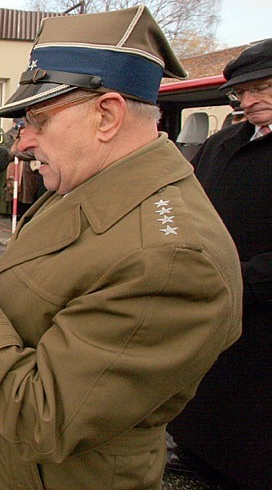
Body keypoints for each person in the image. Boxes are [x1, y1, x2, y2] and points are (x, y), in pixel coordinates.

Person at [0, 5, 242, 489]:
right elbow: (79, 279)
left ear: (106, 115)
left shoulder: (174, 262)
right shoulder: (88, 183)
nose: (22, 143)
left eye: (38, 120)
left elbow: (42, 418)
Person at [167, 38, 272, 490]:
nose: (248, 101)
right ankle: (197, 452)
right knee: (211, 389)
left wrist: (238, 278)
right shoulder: (225, 141)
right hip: (214, 298)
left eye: (262, 88)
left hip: (261, 303)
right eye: (242, 93)